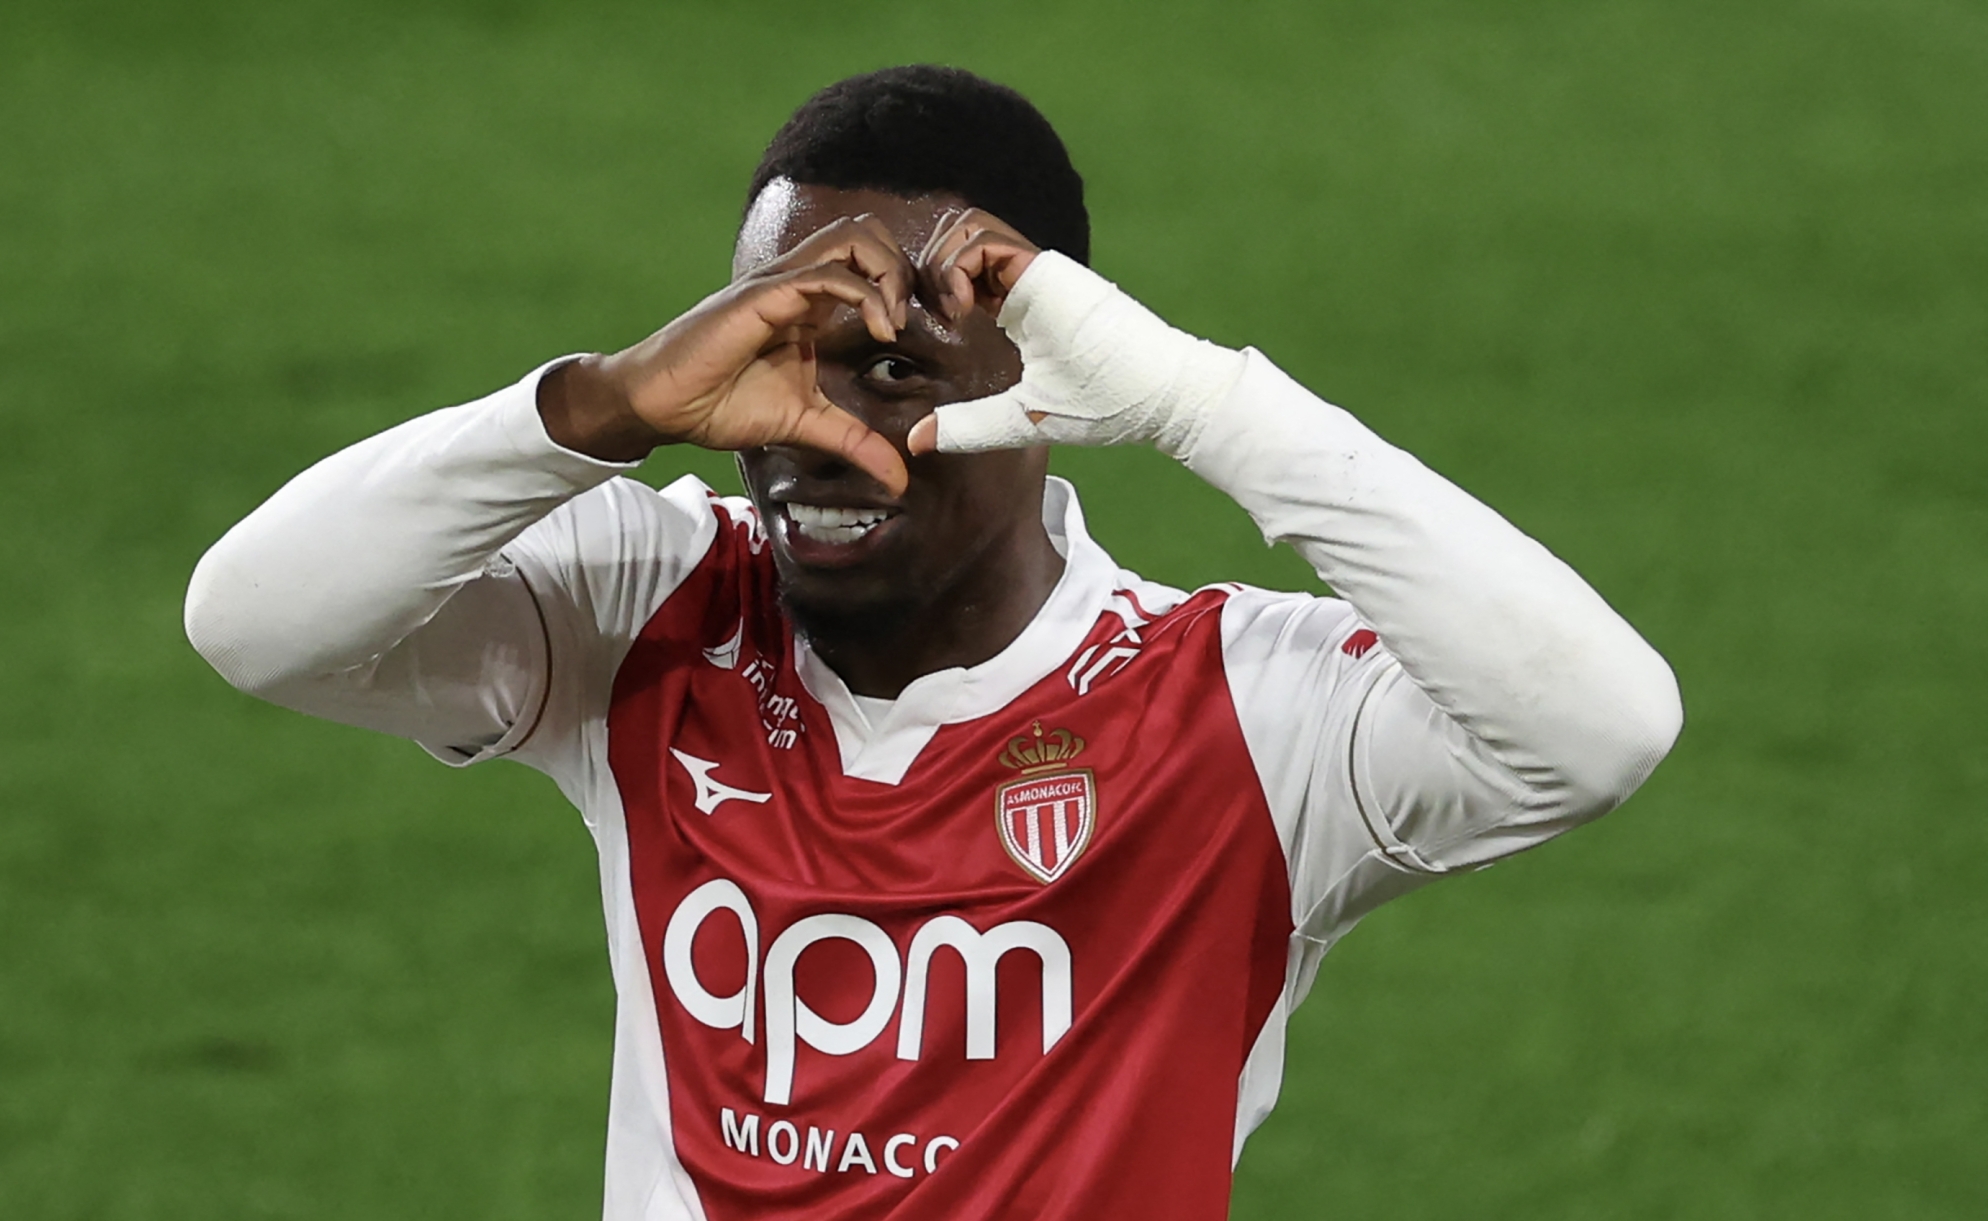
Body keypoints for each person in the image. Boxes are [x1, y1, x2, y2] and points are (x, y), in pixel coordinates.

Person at [184, 65, 1681, 1221]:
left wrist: (1203, 404)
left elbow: (1599, 725)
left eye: (892, 371)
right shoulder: (646, 608)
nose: (806, 434)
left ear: (1052, 378)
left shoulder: (1244, 717)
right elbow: (254, 622)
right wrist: (604, 406)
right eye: (771, 352)